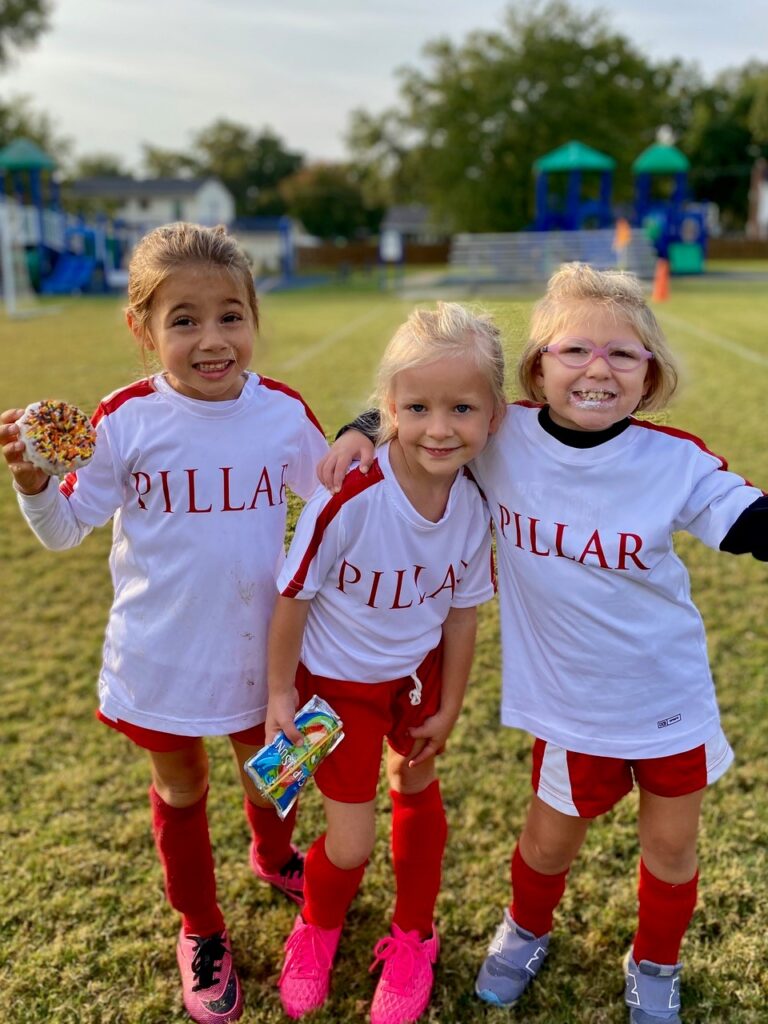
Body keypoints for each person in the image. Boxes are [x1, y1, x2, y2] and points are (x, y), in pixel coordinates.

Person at [317, 263, 767, 1023]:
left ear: (649, 373)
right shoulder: (502, 437)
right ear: (536, 369)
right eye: (575, 350)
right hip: (570, 708)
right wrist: (361, 429)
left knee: (670, 851)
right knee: (547, 845)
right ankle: (526, 930)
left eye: (622, 354)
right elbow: (426, 398)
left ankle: (655, 964)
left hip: (668, 700)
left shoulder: (674, 462)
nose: (598, 368)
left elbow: (751, 523)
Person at [0, 223, 329, 1024]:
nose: (212, 340)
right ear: (142, 329)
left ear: (254, 317)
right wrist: (34, 483)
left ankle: (274, 855)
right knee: (181, 788)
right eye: (184, 320)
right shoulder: (122, 420)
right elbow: (66, 529)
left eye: (231, 316)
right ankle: (201, 928)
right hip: (163, 653)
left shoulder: (282, 413)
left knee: (277, 770)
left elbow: (333, 505)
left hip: (263, 651)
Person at [265, 302, 504, 1024]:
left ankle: (413, 938)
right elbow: (294, 596)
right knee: (350, 841)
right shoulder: (349, 498)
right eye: (418, 407)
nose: (440, 428)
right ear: (389, 410)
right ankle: (318, 925)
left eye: (462, 408)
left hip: (417, 678)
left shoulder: (474, 503)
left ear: (494, 416)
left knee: (417, 785)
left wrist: (450, 703)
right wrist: (280, 693)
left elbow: (462, 613)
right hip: (336, 689)